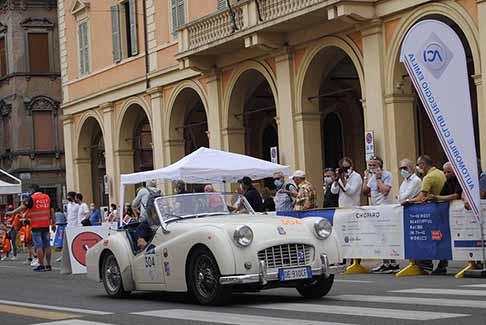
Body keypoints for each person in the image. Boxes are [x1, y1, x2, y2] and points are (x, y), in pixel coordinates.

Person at [402, 155, 446, 273]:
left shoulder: (428, 177)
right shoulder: (440, 173)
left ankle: (426, 264)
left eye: (419, 164)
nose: (418, 167)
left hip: (434, 212)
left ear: (423, 164)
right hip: (444, 209)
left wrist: (407, 201)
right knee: (441, 237)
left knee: (426, 237)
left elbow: (422, 198)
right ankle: (442, 264)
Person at [7, 185, 56, 272]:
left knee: (39, 246)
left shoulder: (32, 198)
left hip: (36, 225)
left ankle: (41, 265)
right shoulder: (47, 197)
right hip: (45, 224)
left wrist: (12, 212)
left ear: (33, 191)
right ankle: (48, 265)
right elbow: (51, 210)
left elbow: (23, 207)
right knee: (47, 245)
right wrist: (53, 223)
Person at [362, 156, 397, 273]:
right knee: (381, 237)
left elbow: (384, 191)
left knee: (387, 237)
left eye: (374, 165)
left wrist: (378, 178)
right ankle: (385, 263)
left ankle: (393, 262)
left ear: (380, 166)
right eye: (370, 165)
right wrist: (366, 177)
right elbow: (365, 191)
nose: (371, 167)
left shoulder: (387, 175)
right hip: (375, 209)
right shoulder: (371, 176)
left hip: (385, 209)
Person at [428, 162, 463, 275]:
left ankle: (475, 261)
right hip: (447, 214)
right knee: (443, 237)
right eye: (445, 172)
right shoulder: (447, 182)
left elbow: (455, 196)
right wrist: (433, 199)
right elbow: (443, 196)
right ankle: (442, 263)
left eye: (449, 172)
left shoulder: (459, 180)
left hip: (461, 214)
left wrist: (437, 197)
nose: (446, 174)